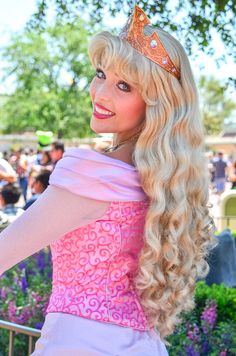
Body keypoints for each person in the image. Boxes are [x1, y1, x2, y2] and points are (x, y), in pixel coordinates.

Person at [0, 5, 215, 355]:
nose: (100, 94)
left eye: (124, 85)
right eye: (101, 73)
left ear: (154, 104)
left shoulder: (91, 176)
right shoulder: (161, 184)